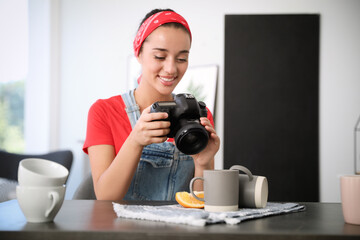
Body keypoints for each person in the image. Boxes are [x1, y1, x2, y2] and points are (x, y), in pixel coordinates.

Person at [83, 8, 220, 201]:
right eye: (160, 57)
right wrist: (135, 140)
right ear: (138, 53)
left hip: (181, 230)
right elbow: (105, 198)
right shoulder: (103, 112)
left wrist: (204, 164)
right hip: (124, 230)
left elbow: (201, 203)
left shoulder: (199, 115)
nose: (171, 69)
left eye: (182, 59)